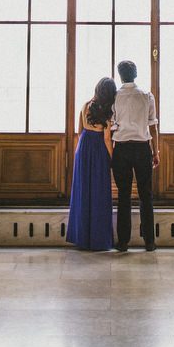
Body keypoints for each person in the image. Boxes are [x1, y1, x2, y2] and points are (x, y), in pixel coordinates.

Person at [111, 59, 159, 252]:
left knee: (123, 195)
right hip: (142, 148)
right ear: (136, 74)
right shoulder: (147, 95)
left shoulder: (115, 97)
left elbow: (111, 124)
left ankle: (123, 242)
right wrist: (156, 151)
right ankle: (149, 241)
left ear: (120, 76)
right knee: (145, 194)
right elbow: (153, 126)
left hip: (121, 148)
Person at [66, 76, 116, 251]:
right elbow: (107, 139)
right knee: (99, 192)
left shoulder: (85, 105)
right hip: (99, 150)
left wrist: (82, 148)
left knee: (83, 190)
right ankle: (98, 239)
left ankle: (82, 237)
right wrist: (112, 158)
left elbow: (79, 131)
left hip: (83, 148)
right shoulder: (107, 112)